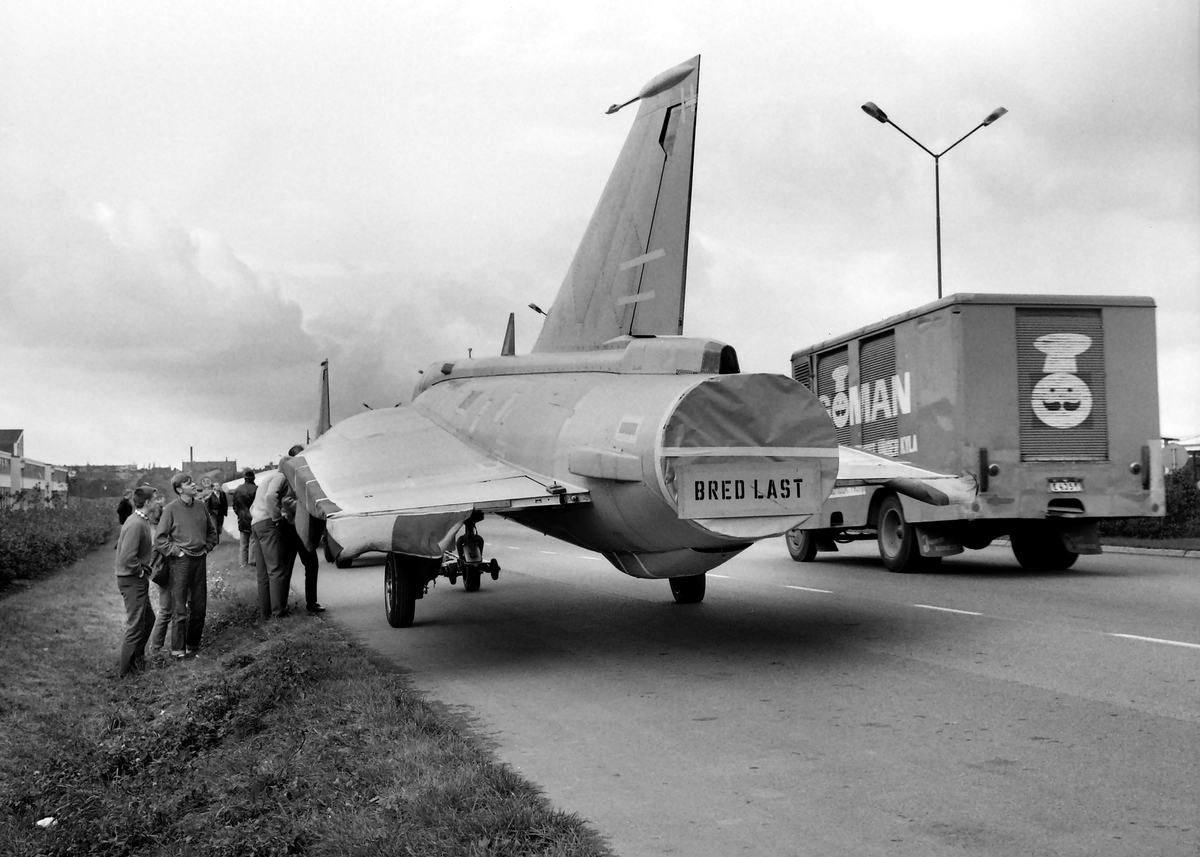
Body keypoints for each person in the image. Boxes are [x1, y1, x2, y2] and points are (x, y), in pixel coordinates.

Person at [155, 472, 217, 658]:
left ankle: (193, 646)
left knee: (199, 606)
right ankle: (178, 651)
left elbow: (212, 533)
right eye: (188, 483)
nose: (193, 484)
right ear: (179, 489)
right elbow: (160, 539)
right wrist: (176, 552)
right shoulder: (171, 509)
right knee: (180, 608)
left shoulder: (201, 506)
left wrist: (207, 547)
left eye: (192, 481)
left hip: (200, 560)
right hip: (180, 562)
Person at [114, 486, 157, 677]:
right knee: (136, 625)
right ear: (147, 503)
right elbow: (127, 556)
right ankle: (126, 673)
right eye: (155, 499)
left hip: (134, 578)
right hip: (131, 580)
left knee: (149, 620)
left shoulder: (140, 520)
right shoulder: (136, 524)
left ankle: (137, 662)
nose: (157, 502)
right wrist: (140, 572)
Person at [278, 444, 324, 614]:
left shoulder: (305, 476)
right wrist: (304, 508)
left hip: (302, 526)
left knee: (311, 565)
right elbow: (285, 500)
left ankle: (311, 603)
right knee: (286, 568)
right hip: (291, 526)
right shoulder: (289, 476)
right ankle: (280, 606)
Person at [249, 466, 289, 618]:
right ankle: (278, 613)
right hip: (268, 523)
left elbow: (253, 504)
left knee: (262, 573)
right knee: (276, 569)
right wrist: (277, 518)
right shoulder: (281, 477)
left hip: (256, 522)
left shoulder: (267, 478)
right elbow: (270, 497)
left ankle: (265, 614)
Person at [232, 469, 257, 568]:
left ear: (244, 478)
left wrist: (239, 513)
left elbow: (234, 505)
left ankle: (242, 563)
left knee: (243, 543)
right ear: (253, 478)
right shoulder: (256, 489)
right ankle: (252, 561)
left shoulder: (238, 489)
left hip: (242, 517)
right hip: (253, 516)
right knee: (253, 540)